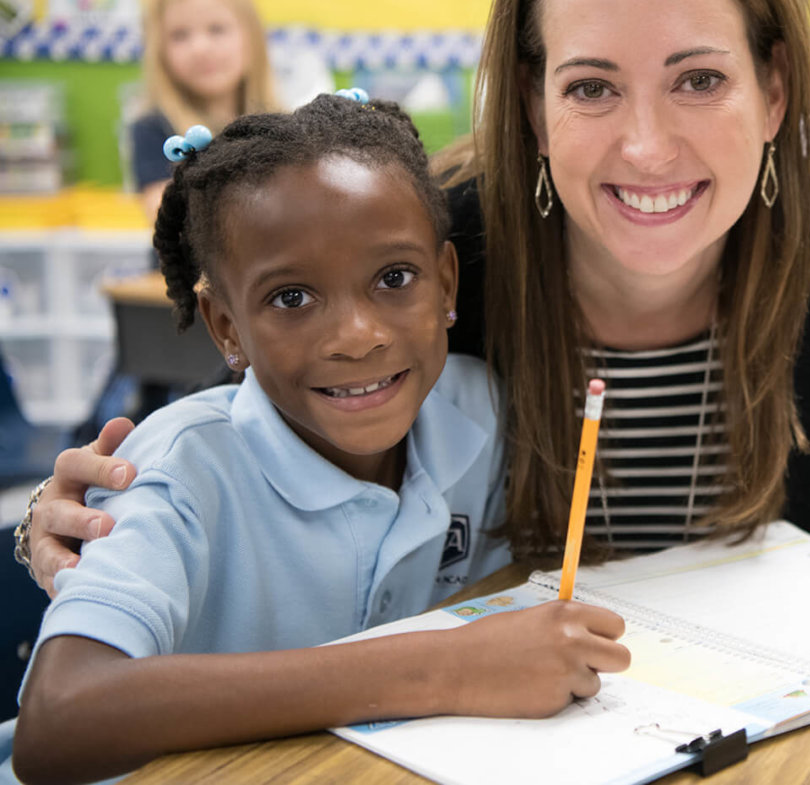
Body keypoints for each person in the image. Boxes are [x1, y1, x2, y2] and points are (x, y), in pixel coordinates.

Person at [19, 0, 810, 613]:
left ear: (772, 90)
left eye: (699, 79)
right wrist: (74, 520)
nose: (645, 143)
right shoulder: (418, 244)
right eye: (591, 85)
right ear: (534, 108)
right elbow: (220, 458)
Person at [6, 93, 628, 785]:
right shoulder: (182, 473)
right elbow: (57, 721)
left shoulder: (484, 412)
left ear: (446, 283)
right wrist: (440, 666)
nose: (359, 335)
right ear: (226, 328)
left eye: (395, 278)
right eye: (292, 298)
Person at [131, 0, 278, 225]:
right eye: (179, 35)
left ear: (251, 39)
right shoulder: (153, 129)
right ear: (159, 52)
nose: (200, 48)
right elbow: (166, 214)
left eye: (217, 29)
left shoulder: (278, 124)